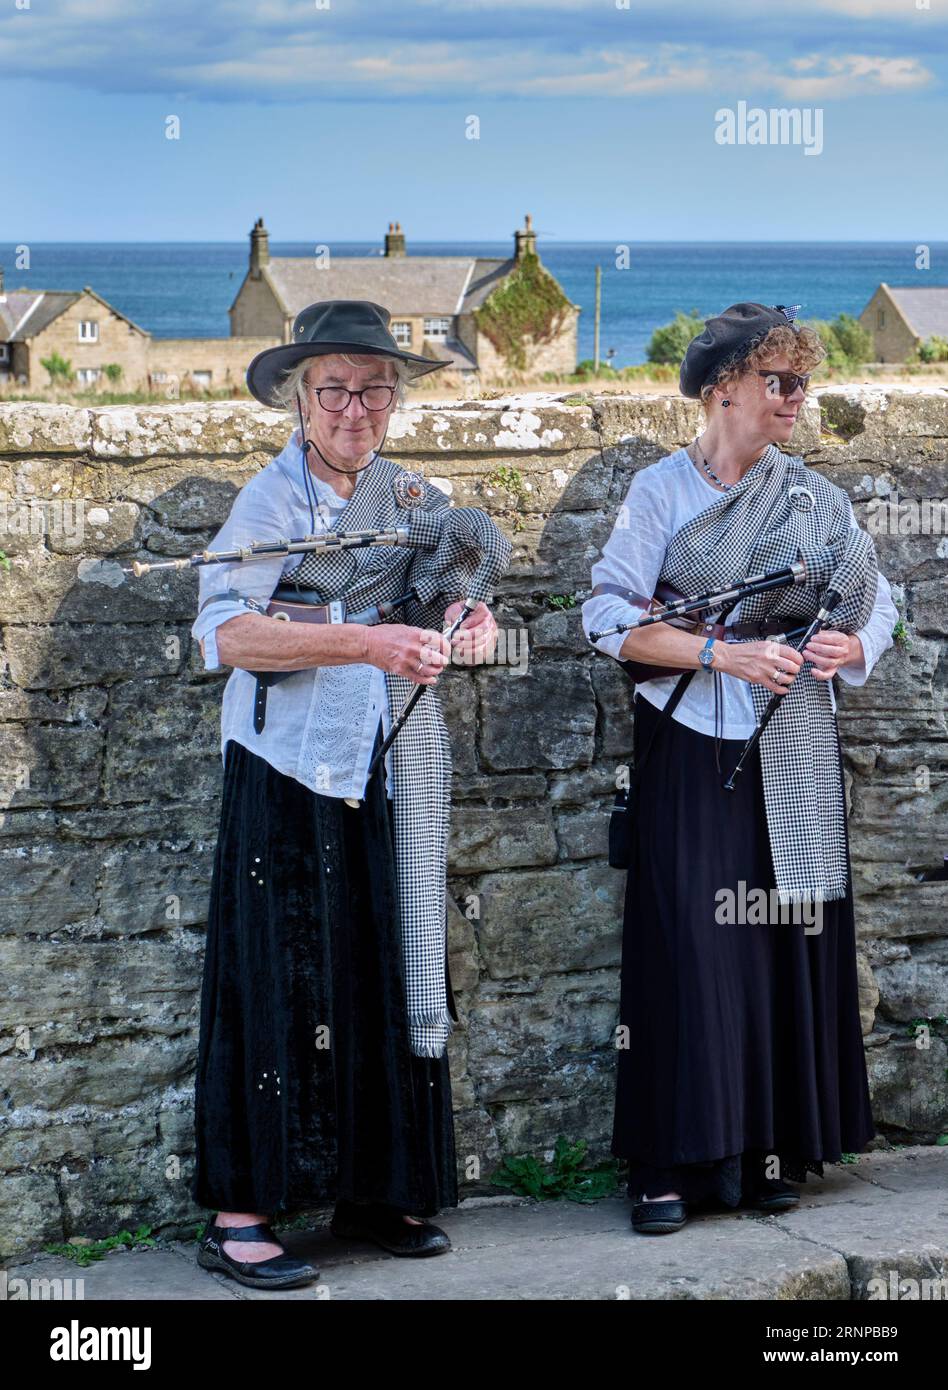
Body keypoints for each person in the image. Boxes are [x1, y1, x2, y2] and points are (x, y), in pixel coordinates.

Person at [189, 300, 506, 1288]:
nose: (354, 408)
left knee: (378, 967)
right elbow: (229, 639)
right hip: (285, 773)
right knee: (276, 982)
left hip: (379, 763)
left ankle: (378, 1189)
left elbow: (435, 588)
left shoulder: (410, 496)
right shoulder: (270, 507)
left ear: (395, 398)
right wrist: (365, 640)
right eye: (334, 388)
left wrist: (467, 614)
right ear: (300, 398)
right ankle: (240, 1217)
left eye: (374, 388)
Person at [582, 303, 898, 1236]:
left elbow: (881, 599)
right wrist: (721, 656)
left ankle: (765, 1153)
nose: (798, 399)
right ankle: (667, 1168)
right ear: (724, 390)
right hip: (691, 741)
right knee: (689, 953)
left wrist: (851, 645)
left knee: (775, 949)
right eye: (780, 382)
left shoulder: (812, 496)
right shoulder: (660, 494)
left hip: (792, 743)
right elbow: (605, 620)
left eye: (804, 382)